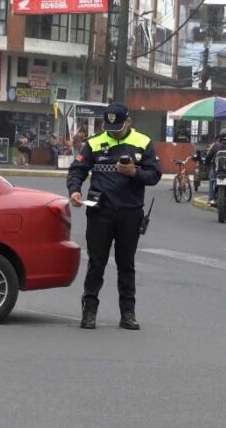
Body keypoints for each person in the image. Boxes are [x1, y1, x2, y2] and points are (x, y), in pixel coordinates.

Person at [68, 103, 161, 331]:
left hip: (130, 212)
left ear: (128, 122)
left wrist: (135, 172)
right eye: (110, 127)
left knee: (126, 264)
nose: (113, 131)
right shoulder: (95, 143)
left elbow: (155, 175)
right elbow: (77, 169)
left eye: (118, 127)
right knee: (96, 263)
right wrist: (75, 190)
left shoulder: (143, 142)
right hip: (101, 211)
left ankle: (128, 314)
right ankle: (89, 311)